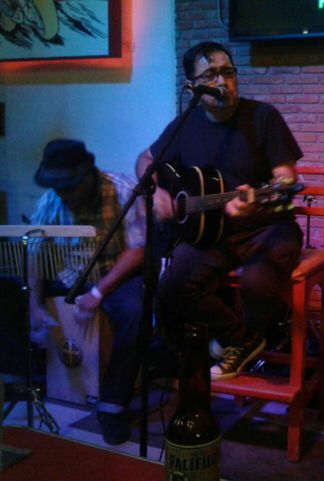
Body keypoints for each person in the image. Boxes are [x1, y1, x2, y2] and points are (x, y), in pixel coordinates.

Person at [135, 41, 303, 381]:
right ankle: (242, 340)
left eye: (227, 72)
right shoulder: (185, 125)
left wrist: (259, 198)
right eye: (210, 75)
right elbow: (146, 159)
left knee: (256, 282)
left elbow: (286, 180)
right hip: (213, 233)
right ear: (193, 86)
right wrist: (156, 193)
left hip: (267, 228)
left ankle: (253, 339)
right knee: (172, 286)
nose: (222, 81)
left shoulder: (263, 116)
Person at [30, 138, 145, 445]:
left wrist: (98, 293)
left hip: (115, 275)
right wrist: (34, 305)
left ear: (86, 176)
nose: (62, 194)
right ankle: (31, 379)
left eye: (68, 187)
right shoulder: (52, 200)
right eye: (57, 187)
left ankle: (112, 405)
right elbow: (35, 254)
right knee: (10, 291)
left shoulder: (122, 189)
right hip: (70, 275)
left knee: (135, 310)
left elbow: (138, 250)